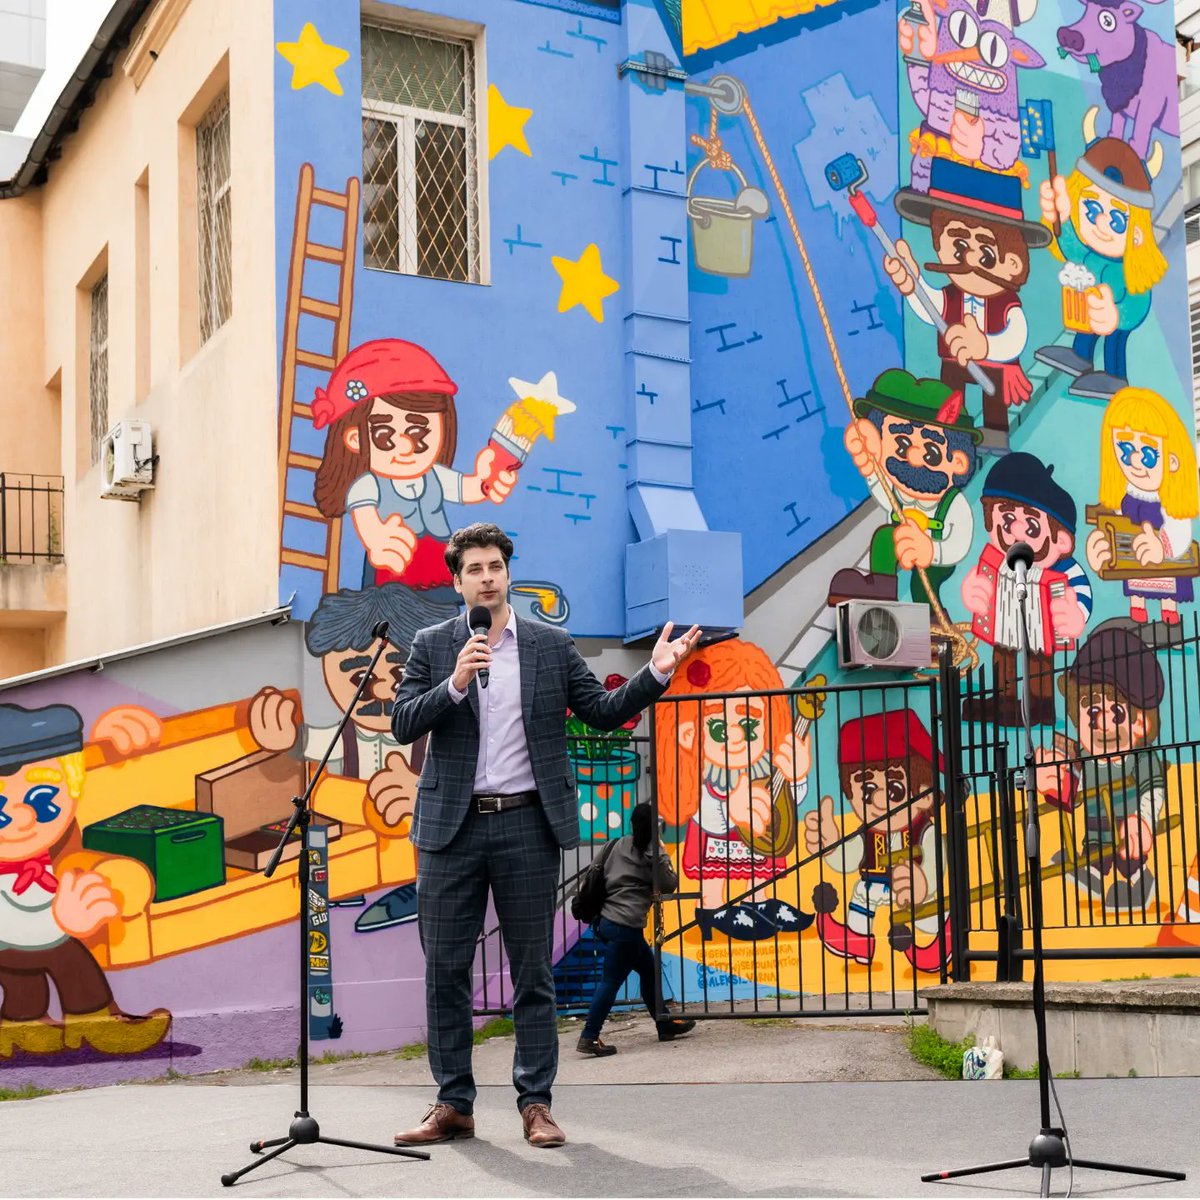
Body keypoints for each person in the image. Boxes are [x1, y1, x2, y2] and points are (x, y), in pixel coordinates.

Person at [390, 522, 701, 1149]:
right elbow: (401, 721)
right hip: (450, 829)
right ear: (457, 581)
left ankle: (536, 1103)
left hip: (527, 825)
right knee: (445, 971)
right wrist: (453, 684)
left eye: (495, 567)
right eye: (474, 569)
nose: (485, 578)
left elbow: (603, 714)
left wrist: (654, 674)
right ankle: (453, 1103)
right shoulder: (431, 645)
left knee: (532, 971)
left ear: (508, 575)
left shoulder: (549, 645)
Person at [575, 803, 697, 1056]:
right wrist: (663, 852)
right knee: (611, 981)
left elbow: (593, 874)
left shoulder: (614, 845)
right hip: (626, 926)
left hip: (607, 922)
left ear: (632, 825)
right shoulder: (653, 856)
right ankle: (589, 1036)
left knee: (649, 970)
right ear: (656, 828)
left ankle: (664, 1025)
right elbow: (669, 885)